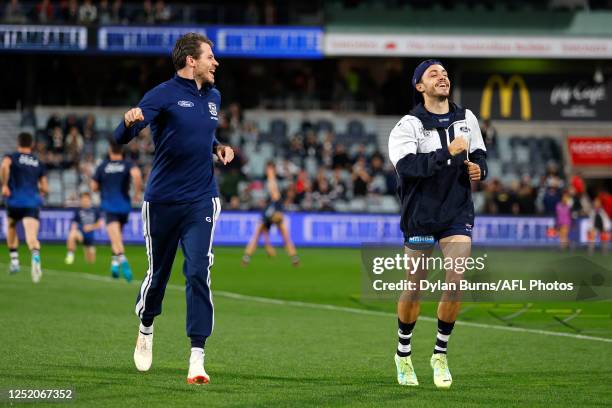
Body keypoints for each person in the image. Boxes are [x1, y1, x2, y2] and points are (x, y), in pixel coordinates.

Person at [113, 33, 234, 384]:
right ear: (191, 60)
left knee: (198, 270)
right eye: (210, 57)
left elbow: (201, 133)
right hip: (162, 201)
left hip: (202, 199)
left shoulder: (214, 96)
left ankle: (197, 357)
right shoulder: (162, 94)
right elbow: (122, 137)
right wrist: (129, 120)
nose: (216, 62)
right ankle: (146, 326)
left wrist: (218, 148)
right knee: (159, 275)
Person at [387, 59, 487, 389]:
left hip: (457, 211)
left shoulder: (466, 117)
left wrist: (479, 170)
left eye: (444, 73)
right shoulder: (408, 125)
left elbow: (480, 154)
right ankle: (403, 354)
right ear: (420, 87)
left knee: (456, 279)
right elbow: (407, 167)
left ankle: (440, 354)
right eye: (433, 74)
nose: (442, 77)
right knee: (414, 284)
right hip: (421, 213)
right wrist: (447, 152)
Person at [91, 142, 142, 282]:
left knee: (115, 238)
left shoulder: (103, 166)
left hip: (109, 206)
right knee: (118, 236)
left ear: (109, 150)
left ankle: (123, 261)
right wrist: (137, 193)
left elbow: (94, 187)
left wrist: (103, 186)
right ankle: (114, 265)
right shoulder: (127, 164)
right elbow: (137, 175)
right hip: (124, 206)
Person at [1, 132, 48, 282]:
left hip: (15, 201)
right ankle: (35, 254)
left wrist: (4, 185)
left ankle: (14, 259)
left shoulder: (12, 157)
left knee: (11, 225)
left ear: (18, 143)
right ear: (32, 145)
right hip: (32, 202)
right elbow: (45, 187)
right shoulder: (38, 162)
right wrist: (40, 192)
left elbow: (4, 166)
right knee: (31, 236)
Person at [242, 162, 299, 267]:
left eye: (271, 169)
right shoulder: (267, 182)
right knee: (258, 234)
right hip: (269, 212)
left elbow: (275, 194)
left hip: (274, 211)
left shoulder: (273, 182)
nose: (269, 171)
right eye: (268, 169)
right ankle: (247, 257)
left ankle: (294, 257)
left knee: (284, 235)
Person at [65, 192, 103, 264]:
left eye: (86, 199)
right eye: (83, 199)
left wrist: (91, 227)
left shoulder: (95, 210)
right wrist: (74, 229)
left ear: (89, 200)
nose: (84, 201)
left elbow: (100, 224)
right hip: (80, 234)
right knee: (72, 234)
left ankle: (86, 248)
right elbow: (74, 224)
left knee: (90, 261)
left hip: (90, 237)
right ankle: (70, 254)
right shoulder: (78, 211)